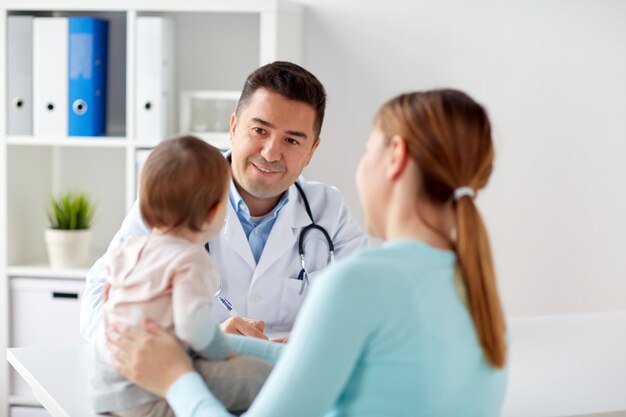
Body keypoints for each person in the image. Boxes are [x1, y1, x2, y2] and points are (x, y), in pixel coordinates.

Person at [107, 89, 509, 416]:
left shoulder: (358, 281)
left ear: (395, 157)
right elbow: (353, 373)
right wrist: (216, 342)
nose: (270, 153)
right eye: (260, 131)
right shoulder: (474, 283)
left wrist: (175, 378)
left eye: (367, 149)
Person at [80, 61, 369, 343]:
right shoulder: (176, 190)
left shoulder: (327, 209)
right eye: (259, 131)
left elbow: (371, 306)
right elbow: (99, 304)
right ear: (233, 127)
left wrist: (314, 343)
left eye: (292, 141)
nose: (270, 153)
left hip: (291, 379)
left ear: (311, 151)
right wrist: (200, 344)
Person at [91, 136, 273, 417]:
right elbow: (194, 329)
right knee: (261, 377)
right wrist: (225, 355)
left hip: (107, 389)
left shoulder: (128, 250)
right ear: (214, 212)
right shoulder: (190, 259)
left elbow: (109, 303)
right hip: (150, 392)